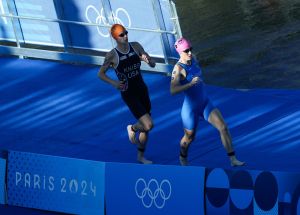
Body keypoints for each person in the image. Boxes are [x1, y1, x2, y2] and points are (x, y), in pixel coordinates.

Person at [170, 37, 245, 167]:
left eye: (190, 49)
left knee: (223, 127)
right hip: (190, 109)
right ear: (180, 52)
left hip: (204, 103)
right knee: (189, 138)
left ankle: (233, 159)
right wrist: (189, 84)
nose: (189, 53)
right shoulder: (178, 69)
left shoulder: (194, 59)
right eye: (186, 51)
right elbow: (173, 90)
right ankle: (182, 157)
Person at [98, 24, 155, 164]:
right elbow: (101, 74)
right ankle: (133, 127)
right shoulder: (112, 55)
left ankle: (140, 157)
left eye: (126, 33)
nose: (125, 36)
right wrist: (114, 83)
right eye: (121, 35)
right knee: (148, 125)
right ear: (115, 38)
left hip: (142, 89)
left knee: (146, 129)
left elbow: (152, 63)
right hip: (129, 93)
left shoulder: (135, 46)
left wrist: (150, 61)